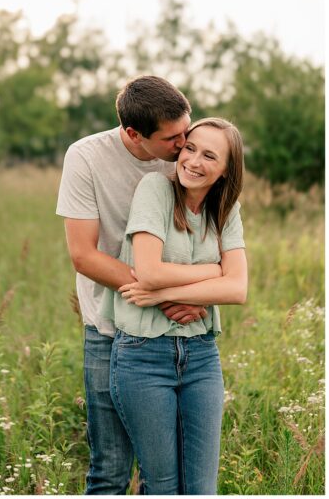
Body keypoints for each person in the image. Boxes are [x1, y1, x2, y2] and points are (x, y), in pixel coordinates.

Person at [56, 76, 210, 495]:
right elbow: (84, 256)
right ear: (133, 134)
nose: (185, 145)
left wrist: (186, 295)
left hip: (177, 334)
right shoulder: (86, 157)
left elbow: (211, 235)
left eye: (187, 129)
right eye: (172, 139)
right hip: (109, 330)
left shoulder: (188, 154)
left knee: (166, 475)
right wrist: (166, 295)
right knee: (110, 469)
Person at [103, 117, 247, 495]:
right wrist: (214, 271)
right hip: (142, 356)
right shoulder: (156, 189)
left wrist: (168, 293)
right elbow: (148, 271)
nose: (193, 161)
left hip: (201, 356)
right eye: (190, 148)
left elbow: (237, 288)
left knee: (202, 489)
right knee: (163, 486)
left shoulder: (226, 211)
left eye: (209, 155)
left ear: (226, 170)